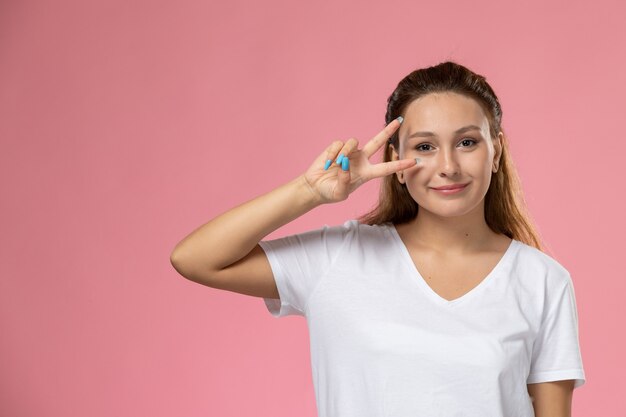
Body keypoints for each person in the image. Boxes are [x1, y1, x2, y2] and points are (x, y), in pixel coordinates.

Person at [170, 61, 586, 417]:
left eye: (467, 142)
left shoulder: (543, 281)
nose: (447, 166)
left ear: (495, 151)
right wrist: (309, 192)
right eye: (424, 146)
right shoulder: (339, 259)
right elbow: (195, 259)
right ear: (396, 164)